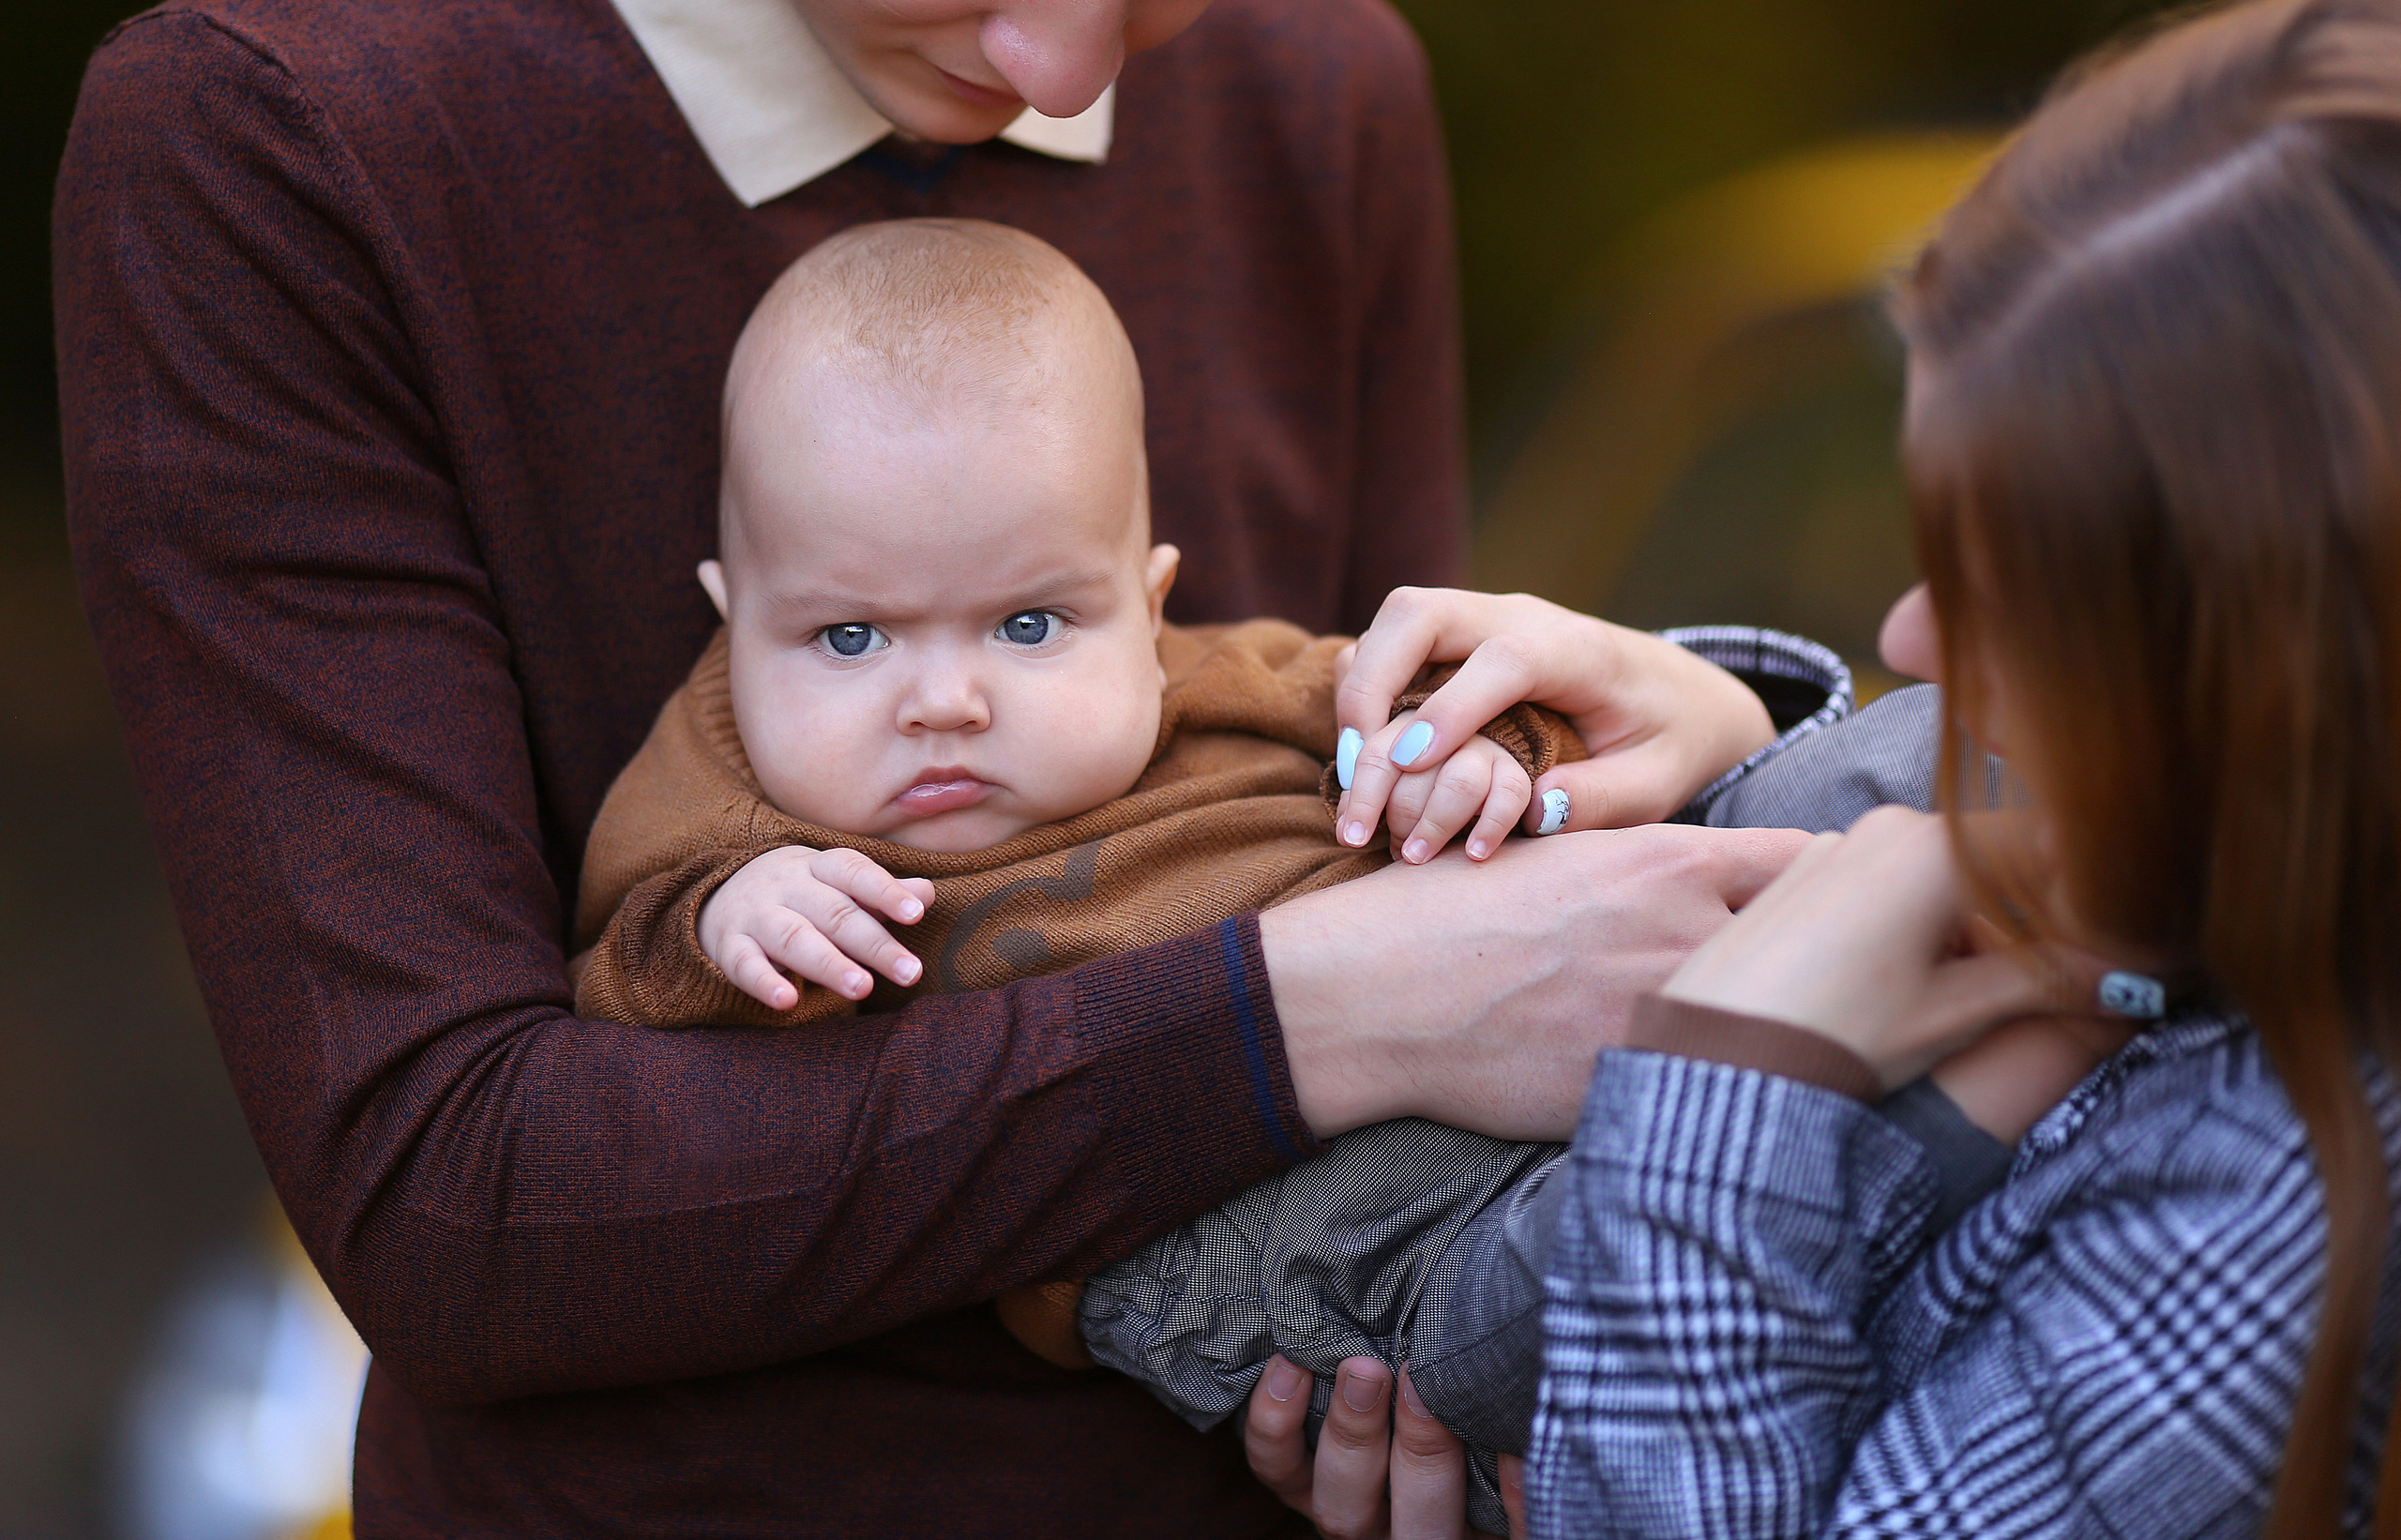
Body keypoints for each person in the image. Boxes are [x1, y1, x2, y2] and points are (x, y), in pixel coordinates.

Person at [53, 0, 1808, 1532]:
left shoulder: (1315, 74)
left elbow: (1393, 804)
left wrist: (1691, 734)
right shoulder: (292, 129)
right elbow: (453, 1215)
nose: (1069, 67)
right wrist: (1309, 1021)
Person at [582, 216, 2074, 1537]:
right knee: (1551, 1284)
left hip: (1533, 973)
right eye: (848, 639)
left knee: (1870, 769)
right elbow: (628, 969)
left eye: (1030, 626)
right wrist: (732, 919)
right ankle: (1949, 1088)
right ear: (734, 616)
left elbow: (1444, 707)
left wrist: (1480, 763)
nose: (945, 701)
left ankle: (2111, 808)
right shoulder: (726, 794)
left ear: (1145, 604)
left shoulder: (1231, 681)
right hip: (1224, 1225)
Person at [1300, 0, 2401, 1536]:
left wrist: (1722, 1109)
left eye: (2026, 600)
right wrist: (1736, 743)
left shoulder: (2275, 1195)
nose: (1908, 637)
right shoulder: (2213, 880)